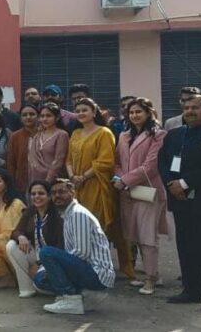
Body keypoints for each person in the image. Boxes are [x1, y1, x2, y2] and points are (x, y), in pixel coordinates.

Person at [158, 94, 201, 311]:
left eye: (195, 108)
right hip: (180, 201)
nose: (190, 112)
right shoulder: (174, 134)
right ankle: (192, 290)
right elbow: (162, 162)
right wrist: (171, 185)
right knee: (187, 248)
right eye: (186, 108)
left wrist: (184, 183)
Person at [67, 97, 135, 280]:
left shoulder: (104, 133)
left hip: (97, 186)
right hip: (77, 188)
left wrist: (84, 176)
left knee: (98, 226)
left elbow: (105, 161)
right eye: (78, 110)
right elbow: (68, 159)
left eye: (85, 110)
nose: (81, 113)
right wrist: (73, 176)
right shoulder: (75, 133)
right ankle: (85, 267)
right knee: (80, 228)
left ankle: (105, 268)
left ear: (94, 112)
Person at [114, 97, 168, 295]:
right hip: (127, 193)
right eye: (131, 112)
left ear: (148, 113)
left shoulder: (158, 135)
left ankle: (151, 279)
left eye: (139, 111)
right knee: (135, 235)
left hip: (148, 192)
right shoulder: (123, 135)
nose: (135, 115)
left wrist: (125, 180)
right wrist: (121, 178)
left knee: (148, 237)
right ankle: (151, 273)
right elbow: (117, 162)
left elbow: (151, 166)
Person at [37, 179, 115, 315]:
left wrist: (60, 268)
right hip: (85, 269)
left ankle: (71, 299)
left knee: (46, 253)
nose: (57, 196)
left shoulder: (78, 214)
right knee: (39, 279)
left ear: (72, 192)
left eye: (61, 192)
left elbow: (82, 252)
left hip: (97, 273)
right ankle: (86, 296)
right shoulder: (67, 214)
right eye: (53, 193)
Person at [7, 180, 64, 298]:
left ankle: (60, 291)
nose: (37, 196)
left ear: (49, 196)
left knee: (40, 282)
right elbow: (16, 231)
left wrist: (39, 264)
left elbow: (61, 245)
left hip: (52, 258)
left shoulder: (57, 215)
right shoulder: (31, 211)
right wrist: (21, 236)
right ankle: (26, 288)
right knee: (11, 246)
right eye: (33, 194)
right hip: (36, 253)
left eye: (41, 193)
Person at [29, 103, 68, 185]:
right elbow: (32, 159)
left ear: (57, 117)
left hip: (53, 180)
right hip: (35, 179)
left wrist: (47, 182)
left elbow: (58, 161)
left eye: (48, 116)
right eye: (42, 116)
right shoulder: (37, 135)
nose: (45, 119)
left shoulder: (61, 135)